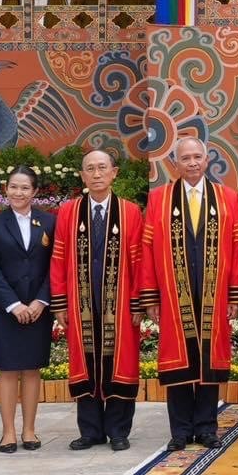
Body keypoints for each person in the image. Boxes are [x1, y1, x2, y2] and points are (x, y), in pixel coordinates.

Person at [141, 136, 238, 451]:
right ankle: (180, 431)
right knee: (178, 360)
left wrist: (236, 295)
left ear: (206, 159)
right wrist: (150, 297)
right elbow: (147, 250)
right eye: (185, 158)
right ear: (176, 163)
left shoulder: (226, 197)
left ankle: (207, 428)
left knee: (208, 359)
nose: (192, 163)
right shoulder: (160, 198)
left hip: (215, 292)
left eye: (197, 157)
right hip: (175, 295)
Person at [51, 149, 146, 452]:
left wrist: (138, 303)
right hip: (81, 303)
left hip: (118, 304)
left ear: (114, 172)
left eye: (102, 168)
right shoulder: (69, 211)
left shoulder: (130, 211)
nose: (96, 174)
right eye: (89, 169)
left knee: (121, 362)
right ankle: (90, 431)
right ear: (82, 175)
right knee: (85, 361)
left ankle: (118, 431)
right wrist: (61, 303)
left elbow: (138, 261)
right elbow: (58, 258)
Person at [0, 165, 56, 453]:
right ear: (5, 189)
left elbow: (55, 265)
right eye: (14, 187)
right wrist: (13, 304)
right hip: (5, 309)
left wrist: (40, 301)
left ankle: (30, 430)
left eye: (25, 188)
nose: (19, 192)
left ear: (35, 191)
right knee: (8, 370)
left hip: (38, 308)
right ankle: (9, 431)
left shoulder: (48, 222)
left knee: (33, 369)